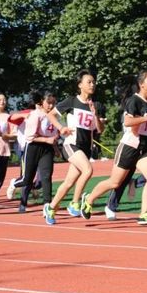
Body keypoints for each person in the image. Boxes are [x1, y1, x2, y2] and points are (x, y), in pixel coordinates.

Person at [78, 70, 147, 225]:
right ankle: (88, 200)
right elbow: (128, 123)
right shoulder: (134, 101)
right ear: (142, 84)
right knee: (115, 183)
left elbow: (142, 125)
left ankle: (144, 214)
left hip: (144, 147)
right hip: (129, 147)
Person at [44, 70, 104, 220]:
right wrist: (61, 128)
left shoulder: (95, 105)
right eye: (89, 82)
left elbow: (100, 129)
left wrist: (95, 114)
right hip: (71, 145)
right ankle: (74, 203)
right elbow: (51, 115)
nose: (92, 84)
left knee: (69, 182)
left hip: (85, 148)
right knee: (88, 170)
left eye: (93, 82)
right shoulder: (71, 101)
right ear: (80, 85)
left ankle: (50, 208)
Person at [8, 91, 58, 214]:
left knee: (46, 177)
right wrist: (47, 139)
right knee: (27, 180)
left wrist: (56, 149)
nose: (50, 106)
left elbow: (54, 135)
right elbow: (30, 137)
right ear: (42, 102)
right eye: (48, 103)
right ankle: (14, 183)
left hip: (47, 149)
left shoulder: (55, 117)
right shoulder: (35, 115)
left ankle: (47, 206)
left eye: (53, 103)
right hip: (32, 147)